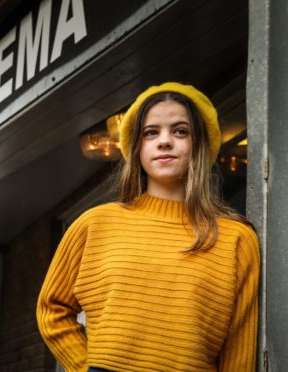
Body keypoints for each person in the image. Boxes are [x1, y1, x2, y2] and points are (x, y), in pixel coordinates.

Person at [36, 82, 259, 371]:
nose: (164, 141)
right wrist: (84, 367)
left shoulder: (236, 239)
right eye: (151, 132)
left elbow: (238, 355)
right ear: (137, 147)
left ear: (200, 145)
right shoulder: (94, 225)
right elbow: (52, 309)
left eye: (180, 131)